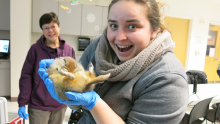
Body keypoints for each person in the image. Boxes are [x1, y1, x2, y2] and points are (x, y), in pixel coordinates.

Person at [38, 0, 189, 123]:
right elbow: (78, 104)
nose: (119, 37)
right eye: (114, 25)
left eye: (132, 26)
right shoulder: (99, 45)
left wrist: (95, 104)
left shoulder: (168, 79)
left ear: (154, 29)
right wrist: (65, 91)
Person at [17, 12, 75, 124]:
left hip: (60, 104)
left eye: (53, 26)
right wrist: (22, 103)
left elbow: (73, 77)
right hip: (39, 105)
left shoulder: (69, 50)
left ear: (59, 26)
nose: (50, 31)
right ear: (42, 31)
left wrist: (75, 101)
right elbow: (26, 76)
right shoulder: (35, 49)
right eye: (46, 28)